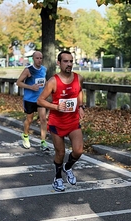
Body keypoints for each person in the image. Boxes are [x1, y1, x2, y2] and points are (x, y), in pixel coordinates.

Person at [37, 51, 85, 192]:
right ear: (59, 63)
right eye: (65, 61)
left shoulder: (78, 78)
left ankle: (68, 167)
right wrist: (56, 107)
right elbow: (40, 100)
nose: (69, 64)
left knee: (78, 150)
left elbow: (80, 91)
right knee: (60, 153)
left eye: (71, 61)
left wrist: (81, 106)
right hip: (57, 122)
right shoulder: (53, 81)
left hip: (73, 120)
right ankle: (57, 178)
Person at [16, 51, 48, 151]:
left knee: (43, 119)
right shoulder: (28, 70)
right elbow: (18, 83)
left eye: (41, 58)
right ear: (33, 59)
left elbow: (44, 81)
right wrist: (30, 87)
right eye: (37, 58)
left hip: (40, 99)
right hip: (29, 99)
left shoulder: (44, 69)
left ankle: (43, 142)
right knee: (29, 119)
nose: (39, 60)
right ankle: (25, 136)